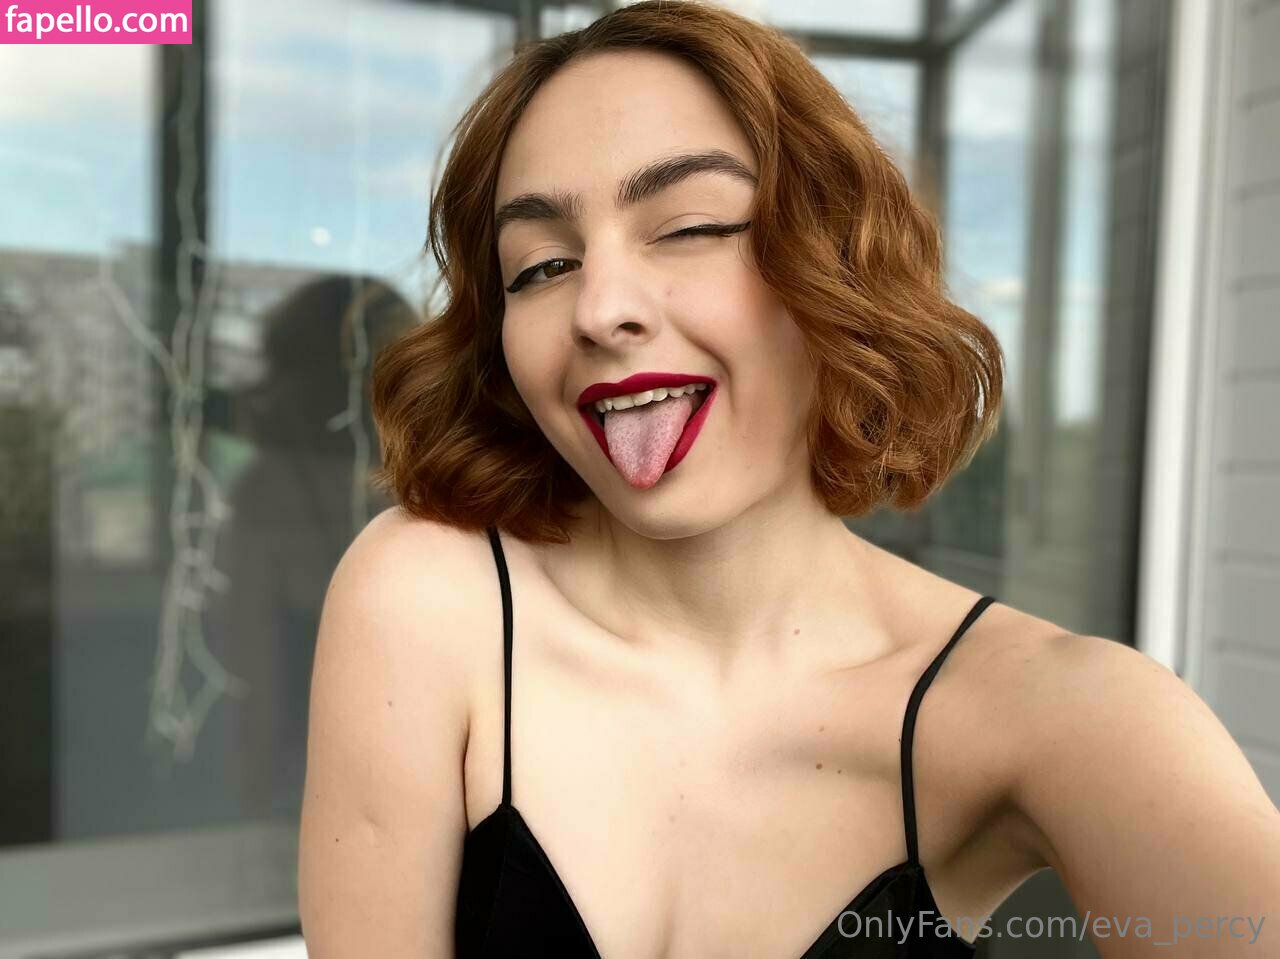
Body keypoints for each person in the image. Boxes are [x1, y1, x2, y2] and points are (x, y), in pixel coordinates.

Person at [297, 2, 1280, 956]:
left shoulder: (1051, 709)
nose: (598, 308)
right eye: (541, 266)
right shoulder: (429, 600)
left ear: (836, 261)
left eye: (689, 226)